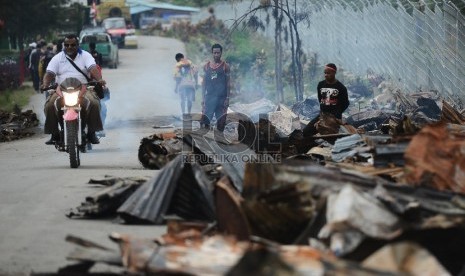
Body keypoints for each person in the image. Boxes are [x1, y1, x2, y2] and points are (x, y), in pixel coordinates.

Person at [41, 33, 105, 145]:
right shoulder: (57, 58)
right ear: (63, 45)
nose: (69, 47)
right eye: (67, 45)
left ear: (78, 45)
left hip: (84, 88)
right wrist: (45, 84)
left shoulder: (86, 56)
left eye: (73, 45)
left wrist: (99, 79)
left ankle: (92, 132)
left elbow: (93, 68)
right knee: (50, 105)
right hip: (62, 89)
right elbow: (49, 73)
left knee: (94, 103)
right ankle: (54, 134)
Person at [303, 63, 349, 137]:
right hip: (322, 115)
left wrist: (337, 113)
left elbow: (346, 103)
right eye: (325, 73)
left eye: (328, 73)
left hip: (334, 118)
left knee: (330, 136)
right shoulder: (321, 85)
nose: (326, 75)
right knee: (306, 132)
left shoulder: (341, 87)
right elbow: (320, 99)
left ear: (334, 73)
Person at [200, 43, 231, 132]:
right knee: (206, 120)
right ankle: (204, 141)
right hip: (209, 96)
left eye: (218, 53)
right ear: (212, 53)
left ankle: (220, 140)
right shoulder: (206, 66)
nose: (216, 55)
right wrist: (203, 98)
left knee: (221, 122)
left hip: (222, 97)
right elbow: (204, 83)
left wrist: (228, 98)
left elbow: (228, 83)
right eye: (214, 53)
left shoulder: (225, 66)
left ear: (221, 53)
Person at [89, 41, 109, 137]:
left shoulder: (96, 67)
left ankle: (100, 127)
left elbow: (100, 79)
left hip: (92, 91)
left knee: (103, 108)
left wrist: (101, 83)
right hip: (77, 92)